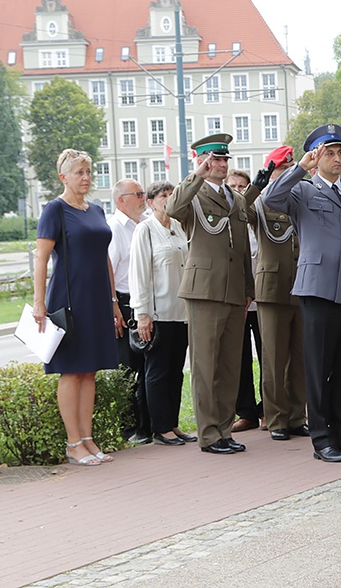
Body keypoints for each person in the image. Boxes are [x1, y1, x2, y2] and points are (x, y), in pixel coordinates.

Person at [262, 124, 341, 463]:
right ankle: (321, 438)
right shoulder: (301, 190)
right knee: (318, 368)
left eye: (339, 152)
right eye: (329, 152)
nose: (337, 158)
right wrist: (301, 166)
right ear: (315, 155)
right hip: (317, 289)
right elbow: (270, 199)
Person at [166, 133, 262, 455]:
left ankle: (224, 429)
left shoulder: (235, 199)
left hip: (235, 291)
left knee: (230, 366)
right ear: (202, 161)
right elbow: (172, 207)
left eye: (223, 160)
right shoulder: (193, 195)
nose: (220, 165)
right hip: (204, 292)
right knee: (205, 367)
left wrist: (249, 287)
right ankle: (208, 434)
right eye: (214, 160)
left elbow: (242, 250)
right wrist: (197, 175)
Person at [33, 149, 121, 466]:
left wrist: (113, 302)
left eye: (88, 172)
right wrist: (39, 303)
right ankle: (73, 443)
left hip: (97, 298)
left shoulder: (96, 209)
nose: (85, 178)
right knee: (71, 371)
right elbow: (41, 258)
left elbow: (105, 257)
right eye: (79, 173)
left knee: (90, 371)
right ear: (63, 177)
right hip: (68, 299)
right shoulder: (54, 210)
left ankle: (87, 438)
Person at [250, 146, 310, 442]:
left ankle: (297, 415)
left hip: (301, 285)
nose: (287, 176)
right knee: (273, 358)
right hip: (272, 288)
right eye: (281, 171)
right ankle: (275, 418)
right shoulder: (261, 203)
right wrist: (257, 184)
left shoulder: (300, 200)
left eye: (291, 170)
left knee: (298, 358)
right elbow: (240, 210)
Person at [128, 181, 194, 446]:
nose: (168, 199)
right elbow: (139, 274)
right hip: (158, 313)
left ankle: (174, 423)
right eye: (162, 195)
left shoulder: (178, 228)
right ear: (151, 202)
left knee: (177, 370)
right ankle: (160, 427)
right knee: (157, 371)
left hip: (182, 312)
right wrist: (142, 314)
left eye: (171, 194)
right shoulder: (145, 230)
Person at [107, 178, 150, 445]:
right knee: (127, 369)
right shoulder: (114, 228)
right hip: (123, 302)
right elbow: (107, 270)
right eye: (138, 194)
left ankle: (149, 424)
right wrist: (113, 306)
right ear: (121, 199)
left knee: (148, 368)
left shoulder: (145, 224)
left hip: (144, 302)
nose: (143, 197)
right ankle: (129, 429)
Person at [226, 168, 263, 433]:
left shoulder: (257, 217)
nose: (239, 190)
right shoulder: (226, 220)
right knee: (239, 358)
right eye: (234, 187)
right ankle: (246, 411)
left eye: (243, 186)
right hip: (238, 299)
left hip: (262, 298)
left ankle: (269, 408)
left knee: (268, 354)